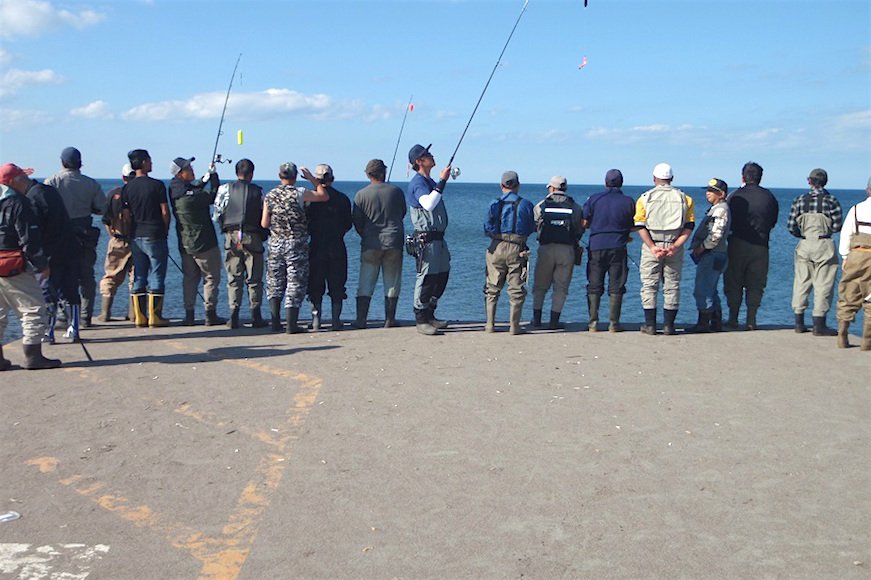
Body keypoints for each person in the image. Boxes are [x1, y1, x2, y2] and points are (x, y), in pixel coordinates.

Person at [10, 161, 80, 342]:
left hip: (50, 252)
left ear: (17, 182)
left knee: (47, 292)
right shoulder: (48, 190)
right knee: (70, 290)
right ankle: (74, 329)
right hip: (69, 247)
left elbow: (34, 232)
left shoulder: (32, 199)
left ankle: (48, 332)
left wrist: (35, 257)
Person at [0, 164, 61, 369]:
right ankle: (33, 355)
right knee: (34, 309)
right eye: (22, 178)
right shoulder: (18, 203)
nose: (26, 183)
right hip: (14, 263)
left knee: (0, 313)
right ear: (14, 181)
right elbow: (29, 239)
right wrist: (41, 265)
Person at [261, 162, 328, 333]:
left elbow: (264, 223)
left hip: (276, 243)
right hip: (296, 242)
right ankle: (291, 324)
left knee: (274, 281)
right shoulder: (299, 193)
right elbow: (323, 195)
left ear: (279, 176)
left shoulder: (270, 195)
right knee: (295, 282)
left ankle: (275, 321)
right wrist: (313, 179)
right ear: (295, 176)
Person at [44, 147, 106, 327]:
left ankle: (63, 316)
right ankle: (85, 316)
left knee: (58, 276)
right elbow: (102, 208)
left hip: (59, 235)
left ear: (62, 162)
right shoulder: (91, 184)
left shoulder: (52, 182)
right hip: (84, 234)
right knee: (86, 276)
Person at [633, 163, 695, 335]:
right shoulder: (685, 199)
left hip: (652, 244)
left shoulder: (644, 198)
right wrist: (675, 246)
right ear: (672, 179)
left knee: (649, 285)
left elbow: (640, 225)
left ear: (654, 178)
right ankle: (669, 325)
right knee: (672, 285)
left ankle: (650, 325)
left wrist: (652, 247)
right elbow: (689, 226)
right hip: (674, 244)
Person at [169, 156, 225, 326]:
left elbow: (192, 189)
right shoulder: (191, 197)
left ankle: (189, 315)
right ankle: (210, 313)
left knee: (190, 278)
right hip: (204, 242)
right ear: (180, 174)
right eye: (188, 169)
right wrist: (214, 177)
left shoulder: (174, 189)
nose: (192, 170)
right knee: (211, 277)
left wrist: (203, 178)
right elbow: (212, 196)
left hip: (185, 244)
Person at [786, 168, 843, 336]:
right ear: (825, 182)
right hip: (824, 242)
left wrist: (803, 234)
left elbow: (790, 226)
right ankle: (819, 325)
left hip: (804, 243)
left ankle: (798, 322)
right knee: (823, 283)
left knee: (801, 282)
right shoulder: (832, 200)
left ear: (809, 181)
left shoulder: (799, 200)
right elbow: (837, 225)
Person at [352, 159, 407, 329]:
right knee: (392, 281)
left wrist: (366, 234)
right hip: (393, 241)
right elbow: (402, 212)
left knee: (365, 281)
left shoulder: (361, 195)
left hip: (370, 242)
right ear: (384, 172)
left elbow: (357, 221)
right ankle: (389, 319)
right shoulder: (396, 191)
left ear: (368, 174)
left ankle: (361, 320)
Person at [724, 161, 779, 330]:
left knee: (734, 282)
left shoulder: (734, 196)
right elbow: (773, 221)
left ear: (743, 177)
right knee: (756, 283)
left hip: (737, 243)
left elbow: (727, 220)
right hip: (761, 246)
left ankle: (733, 318)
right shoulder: (769, 197)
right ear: (760, 177)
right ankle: (751, 319)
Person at [214, 159, 268, 329]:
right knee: (254, 278)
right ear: (251, 174)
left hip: (232, 235)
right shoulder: (258, 192)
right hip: (252, 236)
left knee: (234, 276)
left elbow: (216, 214)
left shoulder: (225, 189)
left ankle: (234, 314)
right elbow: (264, 215)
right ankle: (256, 314)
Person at [406, 144, 452, 335]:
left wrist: (439, 182)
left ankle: (430, 314)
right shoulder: (417, 183)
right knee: (426, 278)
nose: (432, 156)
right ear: (419, 161)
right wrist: (442, 181)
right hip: (426, 239)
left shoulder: (429, 181)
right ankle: (421, 319)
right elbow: (428, 204)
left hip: (438, 239)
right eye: (427, 155)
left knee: (442, 276)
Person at [581, 169, 635, 332]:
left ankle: (593, 322)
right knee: (617, 284)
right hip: (618, 245)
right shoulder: (628, 201)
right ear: (621, 183)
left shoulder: (594, 199)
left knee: (594, 284)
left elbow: (584, 222)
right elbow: (634, 224)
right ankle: (614, 323)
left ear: (605, 182)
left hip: (597, 245)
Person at [483, 171, 535, 334]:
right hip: (516, 246)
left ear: (501, 185)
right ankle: (514, 325)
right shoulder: (525, 204)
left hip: (496, 245)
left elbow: (486, 227)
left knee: (492, 286)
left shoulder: (494, 203)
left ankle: (490, 324)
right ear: (518, 185)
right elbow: (531, 227)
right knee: (516, 288)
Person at [123, 149, 170, 328]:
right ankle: (155, 316)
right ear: (143, 162)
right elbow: (165, 212)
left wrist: (130, 231)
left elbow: (126, 214)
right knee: (157, 274)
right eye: (150, 160)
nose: (152, 163)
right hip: (154, 233)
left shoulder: (128, 187)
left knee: (139, 275)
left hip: (136, 235)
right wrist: (164, 230)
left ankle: (140, 317)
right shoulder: (157, 185)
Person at [530, 175, 583, 330]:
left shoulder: (541, 205)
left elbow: (534, 225)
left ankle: (537, 319)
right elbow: (579, 228)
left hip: (546, 248)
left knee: (540, 286)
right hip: (566, 249)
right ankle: (554, 321)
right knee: (561, 287)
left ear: (552, 188)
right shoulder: (575, 206)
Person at [306, 164, 352, 331]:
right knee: (337, 283)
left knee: (315, 283)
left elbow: (305, 223)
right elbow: (348, 224)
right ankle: (335, 320)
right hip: (337, 245)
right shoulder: (343, 199)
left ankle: (316, 319)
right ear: (332, 178)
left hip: (316, 244)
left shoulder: (310, 200)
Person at [687, 178, 731, 333]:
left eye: (712, 191)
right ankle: (715, 320)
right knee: (711, 288)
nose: (708, 194)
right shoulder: (718, 208)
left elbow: (716, 235)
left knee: (703, 288)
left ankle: (703, 322)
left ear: (721, 194)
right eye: (708, 190)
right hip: (717, 253)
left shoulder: (720, 210)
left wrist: (702, 247)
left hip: (712, 254)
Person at [835, 177, 871, 350]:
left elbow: (846, 234)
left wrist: (844, 256)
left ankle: (842, 334)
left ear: (867, 190)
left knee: (848, 295)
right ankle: (867, 341)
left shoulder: (856, 209)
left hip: (856, 254)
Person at [97, 163, 135, 322]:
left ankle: (105, 313)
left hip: (118, 239)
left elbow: (106, 219)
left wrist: (112, 233)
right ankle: (134, 314)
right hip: (137, 240)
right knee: (136, 279)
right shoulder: (138, 193)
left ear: (123, 177)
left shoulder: (113, 194)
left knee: (111, 276)